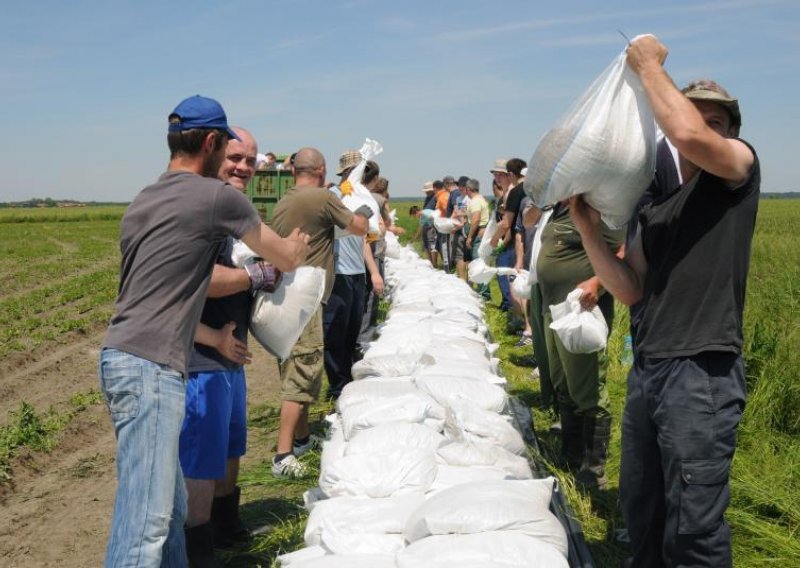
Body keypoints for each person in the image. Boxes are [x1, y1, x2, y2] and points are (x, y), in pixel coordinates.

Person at [569, 35, 758, 567]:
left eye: (715, 122)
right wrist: (588, 231)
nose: (700, 129)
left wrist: (649, 66)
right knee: (643, 508)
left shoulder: (738, 174)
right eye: (695, 117)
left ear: (732, 133)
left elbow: (685, 131)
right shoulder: (658, 206)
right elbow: (630, 288)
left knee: (694, 526)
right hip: (649, 370)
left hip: (702, 371)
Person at [98, 95, 309, 566]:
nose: (238, 164)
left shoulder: (146, 198)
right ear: (211, 142)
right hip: (152, 367)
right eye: (230, 151)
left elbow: (152, 289)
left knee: (167, 509)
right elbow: (287, 259)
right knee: (146, 523)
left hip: (122, 357)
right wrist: (295, 244)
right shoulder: (216, 197)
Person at [179, 127, 273, 566]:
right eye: (236, 157)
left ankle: (225, 526)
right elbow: (190, 285)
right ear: (214, 151)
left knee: (232, 445)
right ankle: (198, 549)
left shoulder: (233, 210)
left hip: (229, 357)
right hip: (201, 359)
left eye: (251, 160)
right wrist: (257, 276)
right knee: (201, 457)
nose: (243, 167)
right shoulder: (202, 210)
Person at [270, 147, 369, 478]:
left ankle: (301, 440)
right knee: (302, 374)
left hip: (285, 296)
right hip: (305, 298)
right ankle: (283, 457)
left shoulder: (287, 200)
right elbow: (356, 226)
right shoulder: (321, 198)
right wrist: (366, 212)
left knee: (295, 366)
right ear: (322, 170)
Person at [537, 201, 624, 491]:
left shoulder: (597, 209)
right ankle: (571, 454)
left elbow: (623, 251)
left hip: (580, 314)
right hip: (555, 310)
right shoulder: (559, 210)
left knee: (588, 390)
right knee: (564, 383)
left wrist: (596, 282)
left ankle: (593, 467)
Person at [323, 151, 383, 399]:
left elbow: (364, 240)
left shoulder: (363, 197)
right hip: (338, 273)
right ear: (345, 174)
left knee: (352, 329)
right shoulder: (335, 196)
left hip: (357, 273)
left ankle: (348, 378)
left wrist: (373, 272)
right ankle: (338, 385)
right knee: (334, 330)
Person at [464, 178, 491, 299]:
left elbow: (475, 219)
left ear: (468, 189)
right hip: (480, 233)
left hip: (477, 235)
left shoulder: (475, 201)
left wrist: (469, 237)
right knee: (479, 262)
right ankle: (483, 291)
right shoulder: (481, 199)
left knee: (478, 263)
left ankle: (484, 294)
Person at [419, 180, 439, 266]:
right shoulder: (427, 198)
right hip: (425, 224)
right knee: (426, 244)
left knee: (432, 244)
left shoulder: (436, 197)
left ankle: (434, 265)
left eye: (428, 191)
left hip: (431, 224)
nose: (426, 193)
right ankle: (430, 263)